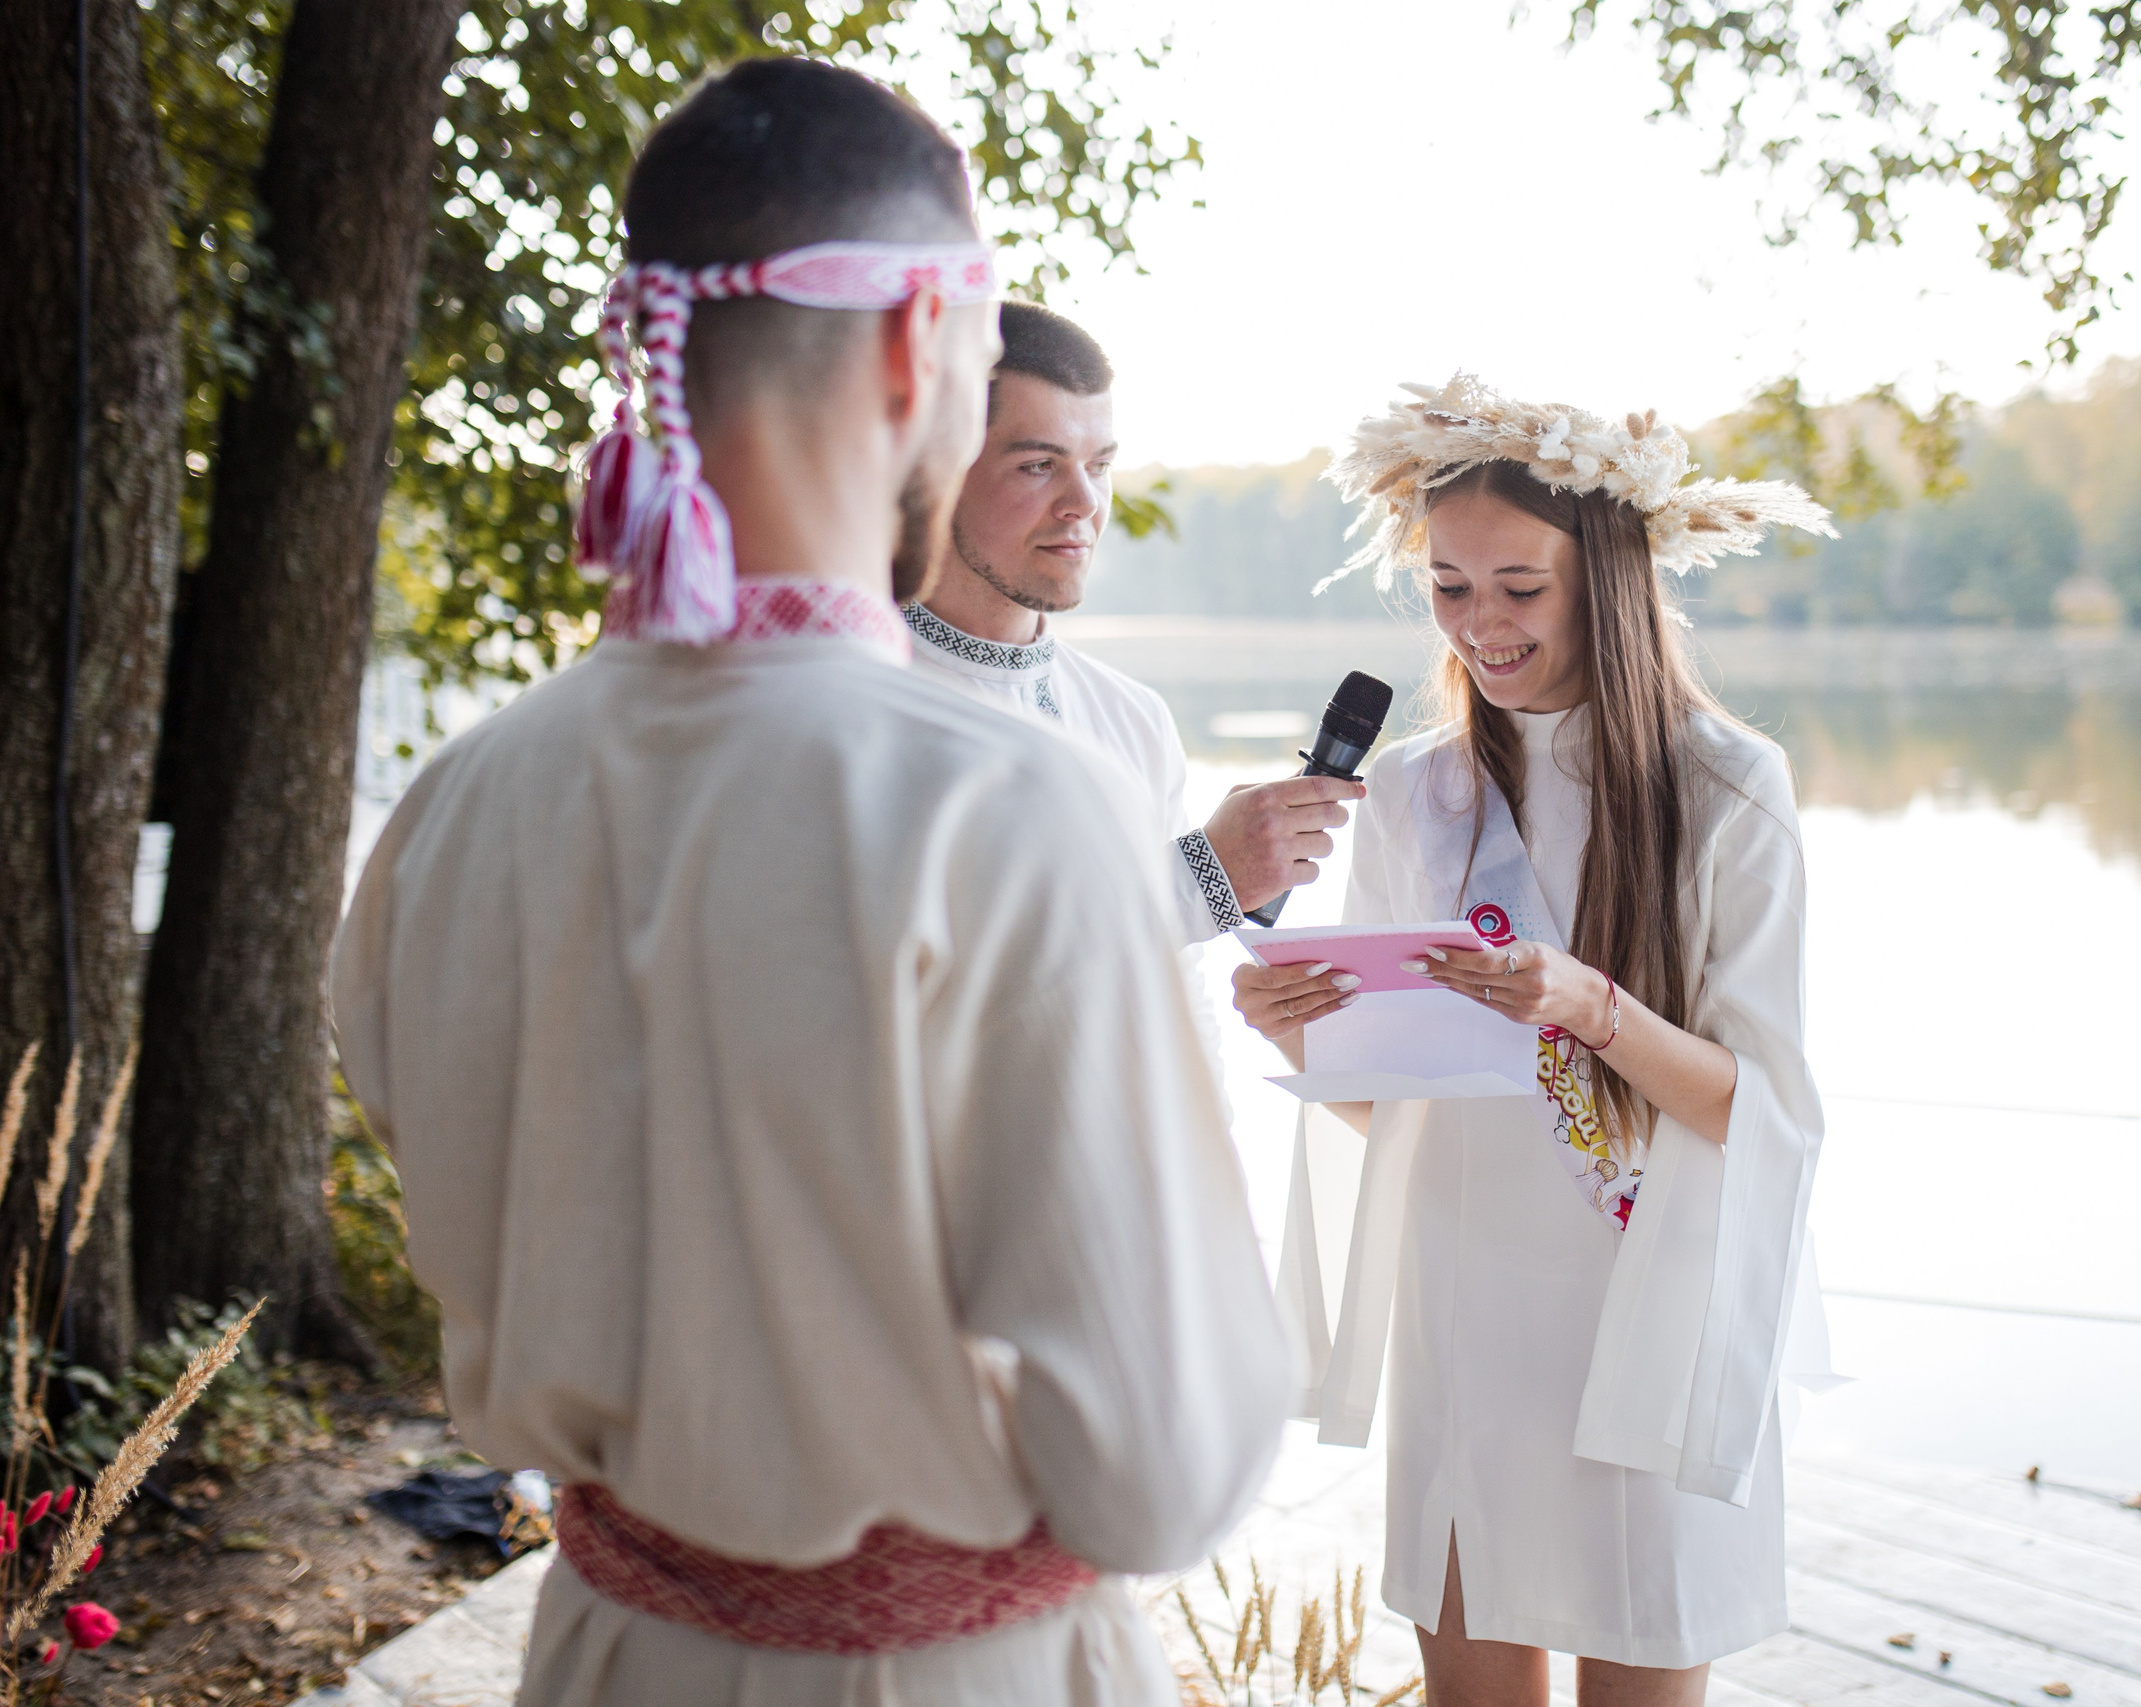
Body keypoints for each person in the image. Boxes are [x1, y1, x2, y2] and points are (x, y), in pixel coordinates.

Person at [331, 59, 1290, 1706]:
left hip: (607, 1654)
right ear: (924, 341)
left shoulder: (455, 805)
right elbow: (1167, 1458)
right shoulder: (1008, 811)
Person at [1235, 375, 1839, 1705]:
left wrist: (1588, 1006)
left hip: (1644, 1302)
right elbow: (1401, 1108)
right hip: (1466, 1312)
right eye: (1451, 588)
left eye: (1519, 586)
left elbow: (1764, 1107)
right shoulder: (1413, 790)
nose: (1482, 625)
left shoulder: (1729, 785)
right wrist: (1310, 1039)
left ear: (1606, 576)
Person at [903, 301, 1362, 943]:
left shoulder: (1133, 717)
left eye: (1099, 465)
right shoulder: (856, 712)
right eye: (1039, 465)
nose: (1085, 503)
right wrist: (1197, 882)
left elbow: (1177, 995)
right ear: (939, 469)